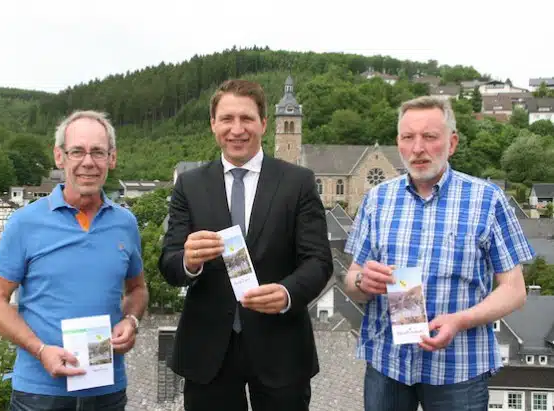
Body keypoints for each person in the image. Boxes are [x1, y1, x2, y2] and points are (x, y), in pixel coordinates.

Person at [343, 95, 535, 411]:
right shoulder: (376, 200)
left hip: (458, 368)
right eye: (408, 137)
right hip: (387, 363)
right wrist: (363, 280)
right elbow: (351, 280)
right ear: (399, 143)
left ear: (452, 143)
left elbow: (514, 291)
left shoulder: (487, 200)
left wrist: (461, 320)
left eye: (430, 137)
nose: (418, 148)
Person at [159, 79, 333, 411]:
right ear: (213, 124)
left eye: (247, 119)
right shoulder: (190, 185)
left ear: (264, 124)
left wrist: (286, 294)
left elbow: (318, 261)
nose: (237, 129)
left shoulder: (298, 182)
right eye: (226, 119)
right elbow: (169, 263)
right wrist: (188, 261)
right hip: (208, 353)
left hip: (280, 347)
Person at [0, 110, 148, 410]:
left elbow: (137, 289)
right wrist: (41, 349)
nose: (88, 162)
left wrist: (131, 320)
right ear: (60, 157)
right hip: (39, 393)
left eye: (98, 152)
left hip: (107, 391)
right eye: (77, 152)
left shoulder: (126, 223)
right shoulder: (25, 223)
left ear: (112, 158)